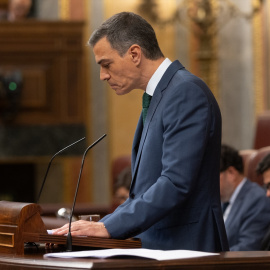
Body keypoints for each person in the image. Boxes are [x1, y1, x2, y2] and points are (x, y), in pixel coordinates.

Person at [53, 11, 229, 252]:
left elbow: (175, 182)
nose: (103, 76)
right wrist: (103, 225)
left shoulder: (186, 92)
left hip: (189, 248)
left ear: (134, 53)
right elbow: (143, 190)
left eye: (106, 64)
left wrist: (109, 227)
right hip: (161, 246)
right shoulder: (158, 96)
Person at [220, 144, 270, 251]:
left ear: (231, 173)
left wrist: (209, 259)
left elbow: (248, 248)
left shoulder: (257, 200)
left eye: (211, 177)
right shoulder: (219, 202)